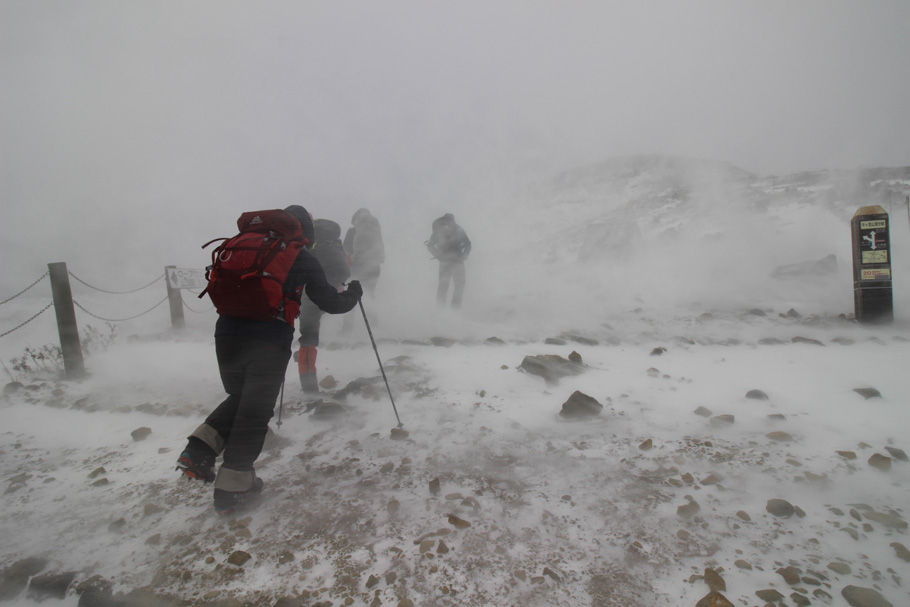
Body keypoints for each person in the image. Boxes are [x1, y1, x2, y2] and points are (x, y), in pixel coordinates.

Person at [177, 205, 362, 514]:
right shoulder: (300, 255)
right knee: (254, 411)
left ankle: (199, 449)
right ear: (304, 230)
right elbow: (331, 301)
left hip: (226, 334)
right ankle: (233, 489)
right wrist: (354, 293)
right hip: (267, 337)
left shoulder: (250, 245)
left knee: (240, 397)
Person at [297, 218, 351, 394]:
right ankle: (302, 358)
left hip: (309, 293)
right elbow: (347, 266)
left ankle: (309, 386)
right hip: (334, 289)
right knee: (312, 330)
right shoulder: (335, 243)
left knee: (308, 337)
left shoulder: (307, 243)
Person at [426, 213, 471, 307]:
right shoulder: (457, 229)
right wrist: (464, 255)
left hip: (448, 261)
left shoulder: (442, 230)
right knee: (456, 285)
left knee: (447, 286)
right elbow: (468, 244)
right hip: (455, 261)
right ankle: (451, 309)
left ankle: (443, 310)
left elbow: (430, 245)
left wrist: (439, 256)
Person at [343, 208, 384, 297]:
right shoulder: (376, 231)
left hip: (357, 266)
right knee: (369, 295)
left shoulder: (352, 231)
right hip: (374, 267)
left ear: (355, 220)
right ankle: (372, 310)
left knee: (354, 295)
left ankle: (356, 311)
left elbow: (345, 251)